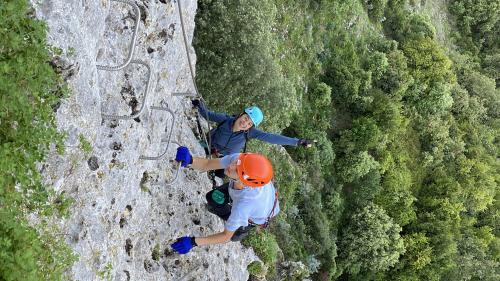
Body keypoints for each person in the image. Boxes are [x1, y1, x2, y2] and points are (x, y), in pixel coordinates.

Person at [170, 146, 279, 254]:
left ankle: (240, 227)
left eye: (236, 170)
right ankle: (228, 214)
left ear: (244, 181)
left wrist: (193, 242)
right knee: (212, 198)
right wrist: (190, 159)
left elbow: (225, 236)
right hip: (251, 192)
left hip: (261, 213)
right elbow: (207, 164)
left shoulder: (244, 206)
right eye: (236, 163)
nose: (231, 166)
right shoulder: (241, 161)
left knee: (234, 236)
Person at [192, 99, 313, 157]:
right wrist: (200, 105)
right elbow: (208, 114)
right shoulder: (225, 119)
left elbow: (272, 138)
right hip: (208, 145)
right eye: (245, 118)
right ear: (241, 114)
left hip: (223, 158)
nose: (245, 123)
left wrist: (297, 142)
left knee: (220, 174)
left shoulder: (249, 133)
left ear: (251, 127)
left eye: (249, 123)